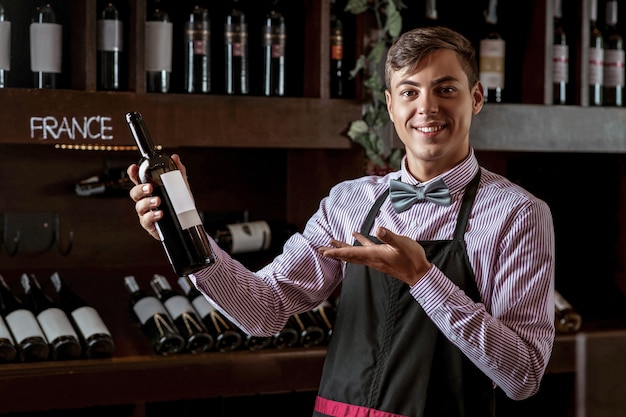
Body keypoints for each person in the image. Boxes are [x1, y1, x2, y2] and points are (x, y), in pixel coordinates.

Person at [128, 26, 555, 417]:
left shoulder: (517, 214)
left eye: (445, 89)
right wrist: (184, 233)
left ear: (476, 98)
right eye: (409, 92)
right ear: (390, 105)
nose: (427, 107)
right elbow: (265, 311)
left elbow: (523, 375)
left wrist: (424, 278)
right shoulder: (350, 201)